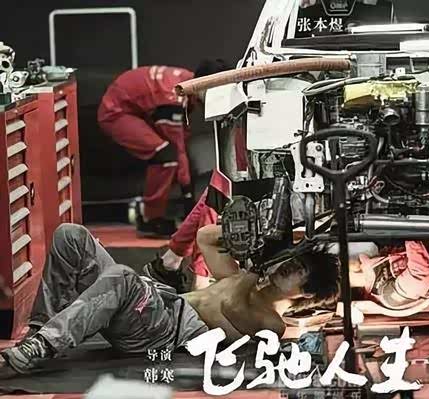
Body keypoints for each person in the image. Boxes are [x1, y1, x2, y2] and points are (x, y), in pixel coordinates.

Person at [0, 224, 340, 376]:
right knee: (71, 236)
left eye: (299, 270)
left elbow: (234, 308)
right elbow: (206, 238)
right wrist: (270, 233)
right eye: (293, 260)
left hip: (160, 331)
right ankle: (38, 332)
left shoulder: (272, 322)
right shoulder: (237, 277)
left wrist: (259, 265)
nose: (289, 266)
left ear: (306, 292)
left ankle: (41, 348)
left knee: (122, 276)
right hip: (153, 303)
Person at [98, 60, 229, 238]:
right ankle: (150, 219)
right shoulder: (174, 99)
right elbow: (178, 149)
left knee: (175, 157)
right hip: (116, 112)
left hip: (133, 105)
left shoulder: (187, 81)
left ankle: (160, 211)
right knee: (166, 157)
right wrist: (188, 199)